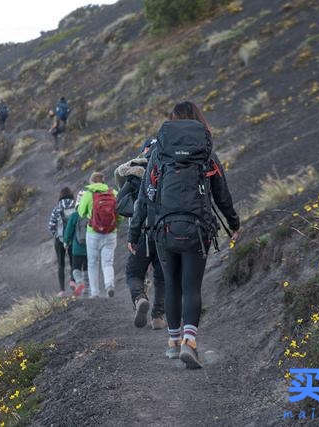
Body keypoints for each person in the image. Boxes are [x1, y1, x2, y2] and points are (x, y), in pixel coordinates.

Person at [130, 101, 241, 369]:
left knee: (171, 284)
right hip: (197, 229)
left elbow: (145, 197)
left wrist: (134, 233)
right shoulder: (205, 153)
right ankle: (189, 342)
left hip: (163, 230)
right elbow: (221, 194)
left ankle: (172, 343)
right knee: (192, 286)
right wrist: (233, 223)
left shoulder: (159, 152)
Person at [116, 137, 166, 329]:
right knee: (161, 276)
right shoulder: (169, 170)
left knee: (134, 273)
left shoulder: (135, 174)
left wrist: (132, 235)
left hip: (142, 232)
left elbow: (120, 204)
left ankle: (139, 299)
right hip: (165, 232)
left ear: (145, 150)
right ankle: (158, 316)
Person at [77, 172, 119, 298]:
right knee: (108, 262)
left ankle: (95, 292)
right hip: (111, 232)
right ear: (103, 181)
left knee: (92, 263)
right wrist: (116, 225)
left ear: (92, 181)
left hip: (93, 233)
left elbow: (81, 213)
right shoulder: (113, 193)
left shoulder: (88, 194)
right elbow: (120, 212)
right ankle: (109, 285)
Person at [48, 187, 76, 296]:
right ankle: (73, 282)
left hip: (59, 240)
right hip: (73, 239)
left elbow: (51, 226)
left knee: (61, 264)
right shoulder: (75, 205)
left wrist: (58, 236)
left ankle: (62, 290)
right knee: (73, 262)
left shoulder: (57, 208)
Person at [63, 190, 89, 297]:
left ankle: (79, 283)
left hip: (77, 248)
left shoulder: (74, 216)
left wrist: (66, 242)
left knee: (76, 268)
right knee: (87, 269)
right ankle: (87, 289)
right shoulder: (91, 215)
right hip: (89, 248)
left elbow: (68, 231)